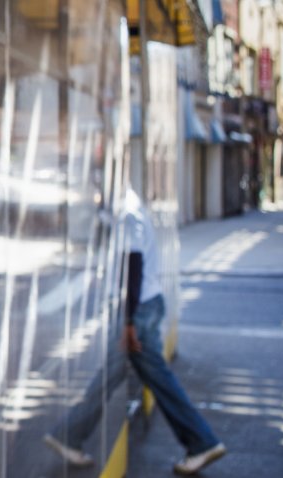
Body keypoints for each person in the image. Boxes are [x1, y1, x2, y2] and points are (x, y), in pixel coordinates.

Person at [43, 189, 226, 475]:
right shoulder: (129, 207)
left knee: (154, 378)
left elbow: (133, 266)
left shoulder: (127, 214)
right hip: (143, 307)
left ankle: (202, 442)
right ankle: (69, 435)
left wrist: (128, 323)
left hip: (139, 312)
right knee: (113, 375)